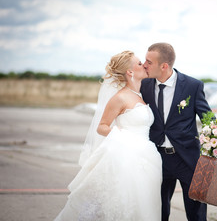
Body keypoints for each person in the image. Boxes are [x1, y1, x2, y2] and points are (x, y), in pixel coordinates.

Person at [54, 51, 162, 221]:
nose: (144, 66)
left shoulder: (140, 96)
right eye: (140, 63)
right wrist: (125, 139)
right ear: (130, 72)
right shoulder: (119, 98)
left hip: (147, 156)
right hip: (125, 157)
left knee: (144, 203)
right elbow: (102, 127)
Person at [140, 43, 212, 221]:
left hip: (188, 160)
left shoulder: (193, 86)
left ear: (163, 66)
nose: (144, 65)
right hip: (156, 159)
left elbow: (209, 119)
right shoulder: (144, 85)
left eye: (149, 62)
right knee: (159, 212)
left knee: (196, 213)